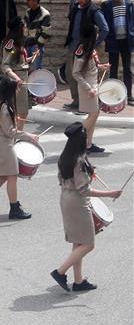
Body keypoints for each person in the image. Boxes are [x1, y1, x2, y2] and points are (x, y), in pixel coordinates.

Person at [50, 121, 124, 293]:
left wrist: (88, 173)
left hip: (65, 199)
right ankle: (60, 272)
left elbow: (65, 179)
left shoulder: (65, 156)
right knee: (89, 244)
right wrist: (110, 194)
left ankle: (78, 281)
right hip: (77, 203)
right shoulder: (80, 161)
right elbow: (84, 190)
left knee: (78, 242)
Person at [0, 79, 40, 219]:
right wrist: (29, 136)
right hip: (4, 143)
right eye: (16, 89)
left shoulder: (1, 105)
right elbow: (10, 131)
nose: (17, 91)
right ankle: (14, 208)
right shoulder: (5, 107)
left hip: (1, 142)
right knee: (12, 175)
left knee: (4, 175)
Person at [71, 25, 112, 154]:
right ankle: (75, 135)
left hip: (93, 85)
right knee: (94, 114)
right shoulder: (81, 50)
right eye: (97, 34)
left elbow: (91, 67)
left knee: (94, 114)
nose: (98, 36)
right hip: (87, 88)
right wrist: (89, 89)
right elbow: (76, 73)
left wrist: (101, 67)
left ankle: (88, 144)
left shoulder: (90, 48)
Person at [0, 17, 37, 128]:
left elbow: (20, 61)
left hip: (23, 79)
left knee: (22, 110)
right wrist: (16, 78)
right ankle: (17, 135)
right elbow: (5, 65)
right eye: (24, 26)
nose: (26, 28)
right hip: (17, 81)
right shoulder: (11, 45)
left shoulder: (18, 43)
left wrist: (32, 57)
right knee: (20, 111)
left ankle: (17, 134)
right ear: (19, 28)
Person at [101, 0, 133, 106]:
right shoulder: (107, 5)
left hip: (126, 40)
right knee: (113, 69)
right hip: (113, 40)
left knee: (127, 69)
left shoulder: (129, 4)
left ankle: (129, 95)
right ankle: (113, 95)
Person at [23, 0, 52, 71]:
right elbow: (25, 28)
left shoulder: (45, 14)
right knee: (25, 69)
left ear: (36, 1)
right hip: (26, 45)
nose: (27, 1)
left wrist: (38, 46)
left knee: (36, 70)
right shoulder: (27, 12)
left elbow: (46, 33)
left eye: (29, 0)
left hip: (36, 46)